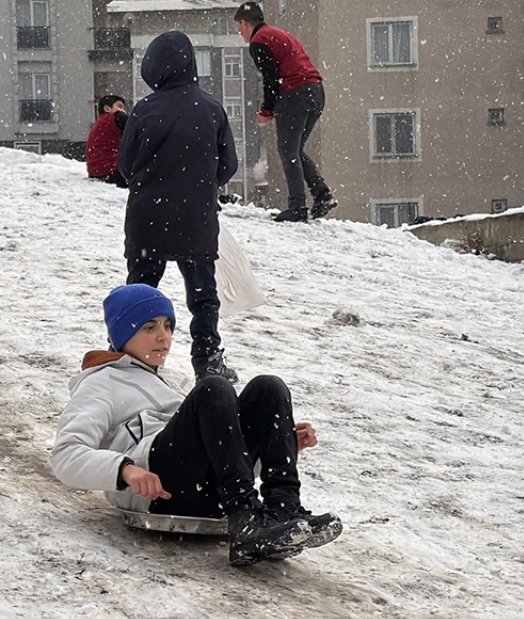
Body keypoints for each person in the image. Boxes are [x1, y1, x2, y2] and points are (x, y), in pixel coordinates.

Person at [51, 284, 343, 566]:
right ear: (123, 332)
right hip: (160, 492)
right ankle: (245, 520)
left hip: (209, 496)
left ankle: (283, 510)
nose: (163, 338)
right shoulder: (102, 382)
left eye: (168, 326)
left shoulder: (173, 382)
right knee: (214, 388)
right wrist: (125, 470)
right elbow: (66, 455)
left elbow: (225, 456)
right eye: (149, 327)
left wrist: (278, 443)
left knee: (269, 388)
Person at [118, 31, 239, 382]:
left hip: (147, 218)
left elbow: (126, 165)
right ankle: (207, 360)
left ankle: (131, 356)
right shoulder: (212, 109)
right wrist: (200, 183)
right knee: (203, 297)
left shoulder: (143, 110)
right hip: (195, 218)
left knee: (141, 291)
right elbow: (228, 165)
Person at [234, 2, 336, 223]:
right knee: (296, 149)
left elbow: (271, 79)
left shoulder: (259, 41)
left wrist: (266, 110)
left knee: (288, 150)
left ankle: (297, 205)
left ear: (244, 23)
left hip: (294, 94)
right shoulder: (278, 33)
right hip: (316, 91)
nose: (238, 31)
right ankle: (322, 194)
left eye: (238, 26)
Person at [85, 95, 129, 188]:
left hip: (97, 172)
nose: (123, 111)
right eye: (120, 106)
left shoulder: (98, 124)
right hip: (112, 172)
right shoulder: (114, 118)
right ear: (107, 108)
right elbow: (137, 124)